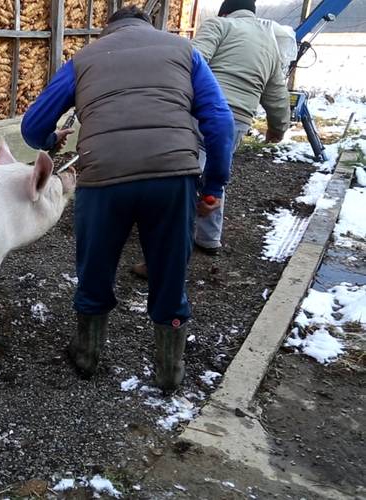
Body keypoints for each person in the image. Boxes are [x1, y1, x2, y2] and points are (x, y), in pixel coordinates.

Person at [20, 6, 235, 392]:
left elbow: (32, 126)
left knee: (95, 266)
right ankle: (170, 372)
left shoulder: (83, 60)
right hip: (172, 177)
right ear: (149, 26)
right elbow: (220, 122)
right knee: (169, 272)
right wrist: (213, 186)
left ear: (108, 29)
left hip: (104, 178)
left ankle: (87, 356)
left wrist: (50, 142)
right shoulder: (185, 52)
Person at [132, 0, 291, 281]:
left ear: (226, 11)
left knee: (182, 179)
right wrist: (278, 128)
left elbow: (192, 59)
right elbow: (277, 91)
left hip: (205, 114)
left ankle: (162, 259)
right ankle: (208, 237)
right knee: (216, 173)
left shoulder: (220, 25)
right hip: (239, 121)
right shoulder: (270, 43)